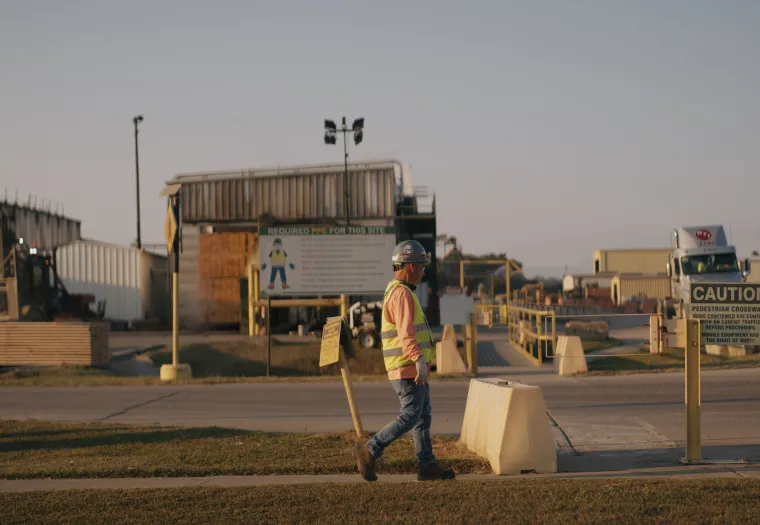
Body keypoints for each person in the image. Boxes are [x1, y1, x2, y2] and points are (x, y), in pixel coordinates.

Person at [353, 240, 456, 482]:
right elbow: (406, 334)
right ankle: (370, 450)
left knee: (422, 417)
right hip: (407, 367)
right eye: (420, 265)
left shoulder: (398, 290)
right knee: (410, 415)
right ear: (408, 266)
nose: (423, 270)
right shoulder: (401, 294)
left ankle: (427, 464)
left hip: (411, 367)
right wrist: (419, 359)